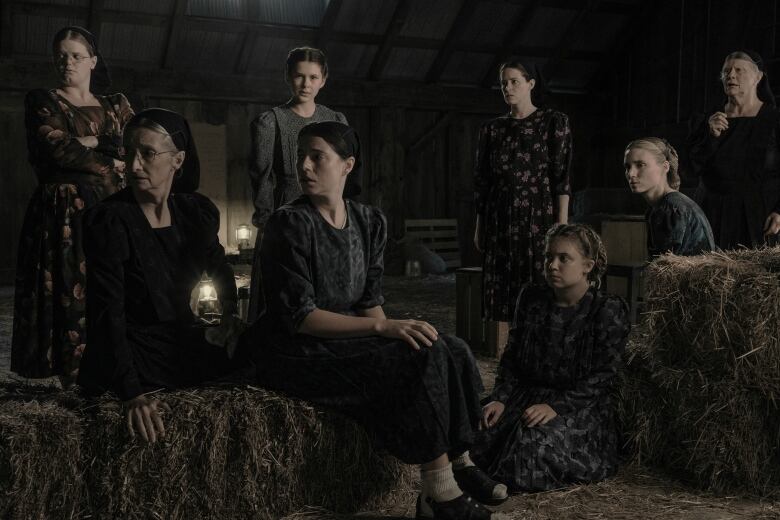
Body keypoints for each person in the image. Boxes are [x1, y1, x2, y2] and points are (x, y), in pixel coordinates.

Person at [244, 121, 507, 519]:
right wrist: (383, 329)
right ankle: (438, 491)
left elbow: (369, 301)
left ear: (347, 165)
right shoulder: (289, 224)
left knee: (447, 346)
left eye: (317, 156)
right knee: (414, 357)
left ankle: (463, 461)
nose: (305, 166)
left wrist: (398, 332)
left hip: (345, 338)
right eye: (301, 157)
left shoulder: (369, 222)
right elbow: (300, 317)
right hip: (298, 349)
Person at [77, 109, 243, 443]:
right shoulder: (110, 221)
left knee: (254, 364)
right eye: (129, 153)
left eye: (148, 154)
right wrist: (131, 392)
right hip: (130, 350)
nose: (134, 166)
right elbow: (107, 313)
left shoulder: (194, 212)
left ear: (178, 160)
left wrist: (230, 316)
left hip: (178, 340)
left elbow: (219, 268)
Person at [12, 26, 134, 387]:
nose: (67, 62)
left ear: (93, 61)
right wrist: (105, 150)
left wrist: (86, 141)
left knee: (111, 285)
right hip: (62, 211)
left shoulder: (117, 104)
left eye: (76, 55)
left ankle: (118, 368)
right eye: (61, 55)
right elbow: (55, 150)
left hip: (112, 205)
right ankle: (73, 377)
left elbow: (131, 145)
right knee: (69, 288)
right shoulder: (43, 100)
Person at [472, 223, 630, 492]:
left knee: (529, 448)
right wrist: (500, 397)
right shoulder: (532, 297)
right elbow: (511, 356)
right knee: (475, 429)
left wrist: (556, 406)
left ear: (587, 266)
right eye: (548, 257)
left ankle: (493, 484)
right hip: (526, 394)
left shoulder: (607, 310)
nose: (552, 265)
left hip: (578, 406)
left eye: (563, 258)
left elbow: (605, 375)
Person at [247, 46, 358, 321]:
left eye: (313, 77)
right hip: (286, 209)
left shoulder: (335, 120)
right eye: (299, 76)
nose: (306, 84)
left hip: (328, 214)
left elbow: (345, 173)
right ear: (288, 77)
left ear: (324, 80)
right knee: (286, 291)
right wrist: (267, 222)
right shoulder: (270, 122)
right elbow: (261, 175)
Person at [474, 57, 573, 324]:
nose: (508, 88)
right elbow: (482, 181)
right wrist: (480, 224)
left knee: (538, 280)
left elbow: (561, 178)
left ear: (531, 83)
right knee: (501, 284)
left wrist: (561, 227)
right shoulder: (491, 129)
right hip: (499, 216)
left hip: (538, 215)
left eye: (514, 82)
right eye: (504, 83)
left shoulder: (553, 122)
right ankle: (507, 345)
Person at [688, 50, 780, 249]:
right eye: (726, 71)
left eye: (739, 70)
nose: (730, 75)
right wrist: (710, 137)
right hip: (711, 213)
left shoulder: (774, 119)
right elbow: (691, 168)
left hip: (758, 216)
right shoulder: (707, 121)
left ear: (758, 76)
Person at [625, 138, 715, 257]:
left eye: (640, 165)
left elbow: (665, 267)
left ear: (665, 167)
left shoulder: (672, 208)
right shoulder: (657, 208)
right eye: (627, 167)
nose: (631, 174)